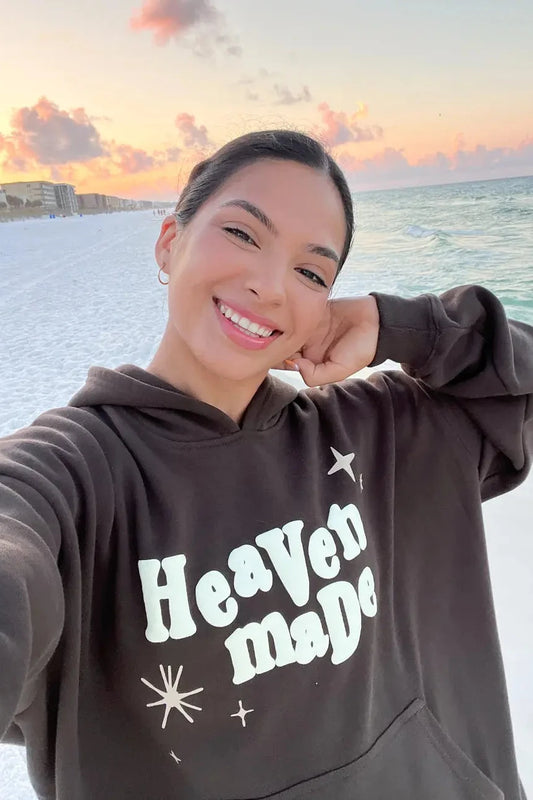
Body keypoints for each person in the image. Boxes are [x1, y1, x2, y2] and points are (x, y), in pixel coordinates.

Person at [0, 130, 531, 800]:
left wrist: (402, 328)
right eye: (242, 234)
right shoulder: (71, 475)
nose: (269, 286)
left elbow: (518, 380)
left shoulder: (378, 431)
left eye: (312, 272)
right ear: (169, 241)